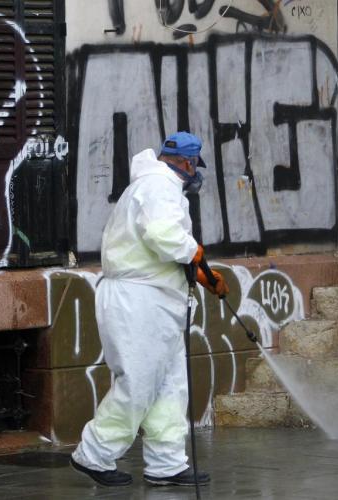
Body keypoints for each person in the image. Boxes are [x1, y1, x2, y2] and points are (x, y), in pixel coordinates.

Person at [70, 132, 229, 487]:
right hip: (138, 301)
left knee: (170, 386)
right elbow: (162, 235)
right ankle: (93, 453)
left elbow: (156, 243)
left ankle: (166, 463)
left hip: (156, 299)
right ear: (188, 163)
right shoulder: (159, 186)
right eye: (195, 166)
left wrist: (200, 273)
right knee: (139, 383)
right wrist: (193, 252)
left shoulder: (153, 185)